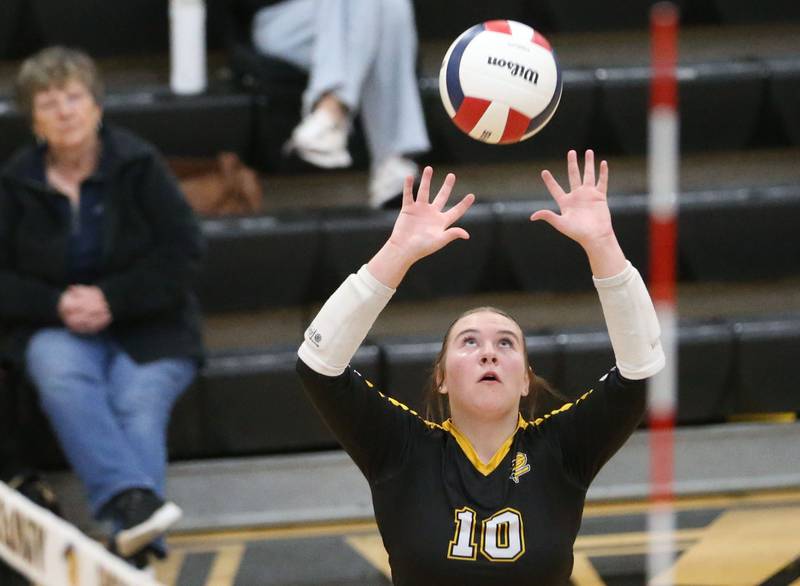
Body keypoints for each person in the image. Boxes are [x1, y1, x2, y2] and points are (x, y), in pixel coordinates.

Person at [296, 150, 665, 584]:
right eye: (469, 342)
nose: (489, 353)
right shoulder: (402, 450)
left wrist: (604, 247)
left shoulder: (560, 450)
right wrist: (397, 252)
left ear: (526, 380)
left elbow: (643, 374)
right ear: (442, 377)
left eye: (506, 344)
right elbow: (318, 364)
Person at [0, 46, 205, 568]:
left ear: (96, 106)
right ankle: (133, 515)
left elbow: (183, 253)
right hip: (55, 327)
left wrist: (112, 299)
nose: (64, 110)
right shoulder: (15, 181)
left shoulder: (139, 164)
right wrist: (55, 302)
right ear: (35, 119)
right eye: (49, 102)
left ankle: (127, 540)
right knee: (58, 371)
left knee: (136, 403)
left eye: (74, 97)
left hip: (153, 328)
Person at [250, 0, 431, 208]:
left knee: (392, 4)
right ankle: (393, 156)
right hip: (281, 27)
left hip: (355, 23)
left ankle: (331, 108)